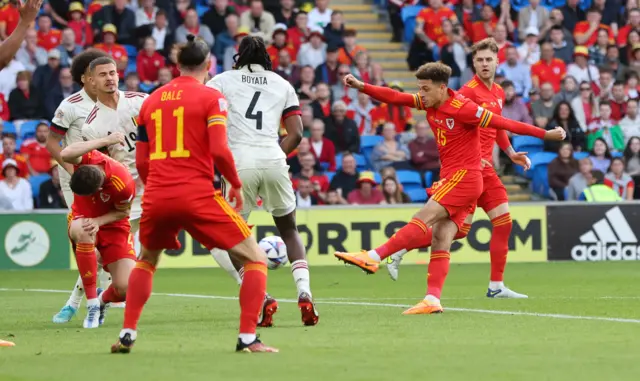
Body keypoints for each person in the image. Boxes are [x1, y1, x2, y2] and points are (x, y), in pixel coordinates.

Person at [335, 61, 564, 314]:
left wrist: (544, 135)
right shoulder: (430, 101)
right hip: (455, 177)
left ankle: (373, 257)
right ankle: (432, 300)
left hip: (464, 177)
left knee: (422, 217)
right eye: (419, 89)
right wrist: (362, 86)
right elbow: (396, 97)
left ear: (442, 88)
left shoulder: (464, 109)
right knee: (441, 236)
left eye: (425, 89)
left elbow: (503, 123)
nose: (420, 95)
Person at [114, 35, 277, 354]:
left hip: (157, 194)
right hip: (197, 193)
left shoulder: (151, 101)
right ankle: (248, 338)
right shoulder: (211, 98)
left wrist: (156, 188)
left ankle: (127, 333)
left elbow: (142, 161)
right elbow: (218, 149)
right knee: (255, 257)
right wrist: (236, 184)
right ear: (209, 64)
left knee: (146, 260)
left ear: (177, 66)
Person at [384, 39, 532, 299]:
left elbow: (495, 126)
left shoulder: (498, 92)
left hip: (485, 170)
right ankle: (399, 248)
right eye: (480, 60)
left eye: (489, 59)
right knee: (460, 229)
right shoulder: (466, 93)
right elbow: (451, 130)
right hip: (472, 169)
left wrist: (510, 153)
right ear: (473, 63)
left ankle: (496, 286)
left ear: (497, 61)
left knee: (486, 225)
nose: (485, 64)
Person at [206, 35, 319, 328]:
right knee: (289, 229)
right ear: (266, 57)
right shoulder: (282, 83)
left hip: (238, 163)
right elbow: (296, 134)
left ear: (238, 56)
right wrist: (274, 157)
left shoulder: (221, 81)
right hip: (273, 158)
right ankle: (304, 292)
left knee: (232, 237)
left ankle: (263, 298)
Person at [48, 49, 114, 324]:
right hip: (78, 180)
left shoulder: (114, 102)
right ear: (86, 78)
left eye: (109, 72)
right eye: (98, 72)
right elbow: (52, 143)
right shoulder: (71, 105)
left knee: (104, 238)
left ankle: (86, 300)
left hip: (109, 177)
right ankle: (85, 300)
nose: (105, 77)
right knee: (87, 236)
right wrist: (75, 172)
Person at [60, 132, 136, 329]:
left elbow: (123, 212)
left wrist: (99, 220)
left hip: (114, 226)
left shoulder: (123, 183)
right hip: (82, 220)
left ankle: (102, 301)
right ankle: (92, 304)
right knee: (84, 229)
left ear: (99, 188)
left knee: (127, 288)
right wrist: (105, 141)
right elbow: (66, 152)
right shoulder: (88, 158)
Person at [81, 56, 147, 238]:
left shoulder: (142, 102)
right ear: (92, 81)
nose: (109, 78)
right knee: (119, 251)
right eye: (102, 75)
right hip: (126, 194)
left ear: (118, 76)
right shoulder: (91, 125)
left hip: (157, 184)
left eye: (112, 73)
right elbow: (101, 167)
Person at [0, 0, 44, 71]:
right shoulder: (4, 11)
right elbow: (2, 34)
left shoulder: (27, 7)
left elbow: (30, 28)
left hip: (23, 38)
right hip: (8, 40)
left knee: (30, 39)